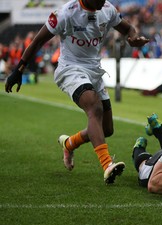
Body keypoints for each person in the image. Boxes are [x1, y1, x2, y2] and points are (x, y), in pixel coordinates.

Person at [4, 0, 149, 184]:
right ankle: (107, 165)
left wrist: (133, 37)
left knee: (106, 129)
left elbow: (128, 28)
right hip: (70, 69)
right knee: (94, 108)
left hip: (94, 71)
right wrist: (18, 70)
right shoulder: (65, 13)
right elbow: (38, 40)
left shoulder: (107, 9)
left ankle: (69, 143)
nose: (102, 0)